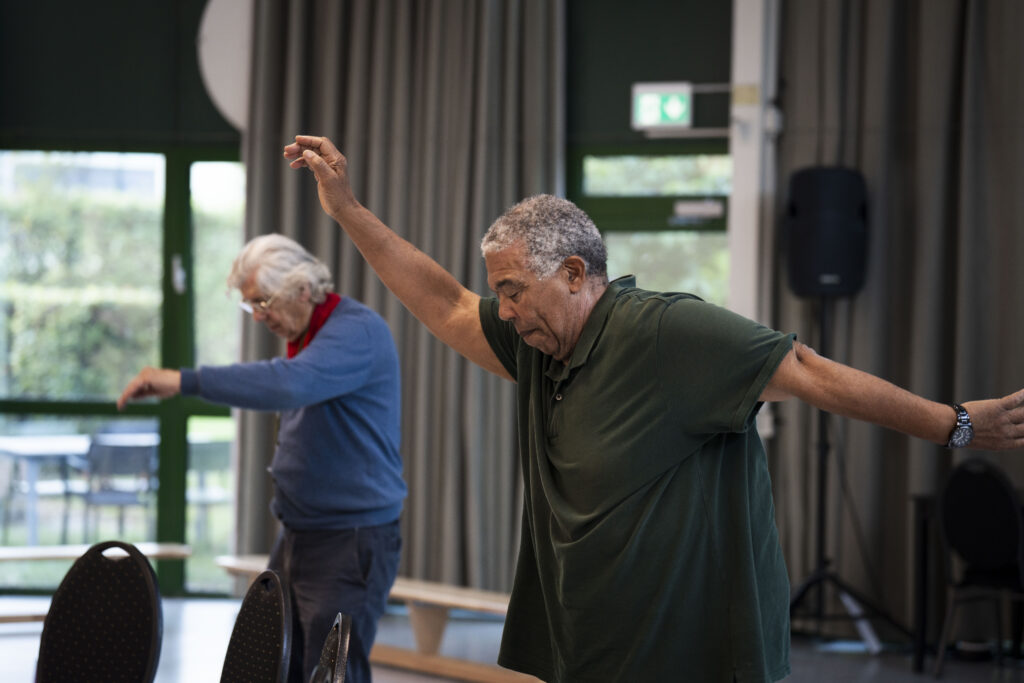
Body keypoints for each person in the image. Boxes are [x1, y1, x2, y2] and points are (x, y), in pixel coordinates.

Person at [283, 134, 1024, 683]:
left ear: (575, 273)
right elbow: (444, 301)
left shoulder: (670, 334)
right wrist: (346, 209)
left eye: (513, 290)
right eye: (499, 292)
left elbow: (809, 371)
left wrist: (955, 423)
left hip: (692, 656)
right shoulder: (538, 345)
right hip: (589, 646)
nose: (502, 310)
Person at [117, 233, 406, 683]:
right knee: (279, 664)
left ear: (303, 290)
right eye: (250, 304)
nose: (257, 316)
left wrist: (185, 381)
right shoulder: (309, 336)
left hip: (349, 540)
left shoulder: (356, 331)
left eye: (262, 302)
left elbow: (288, 383)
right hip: (300, 533)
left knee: (332, 673)